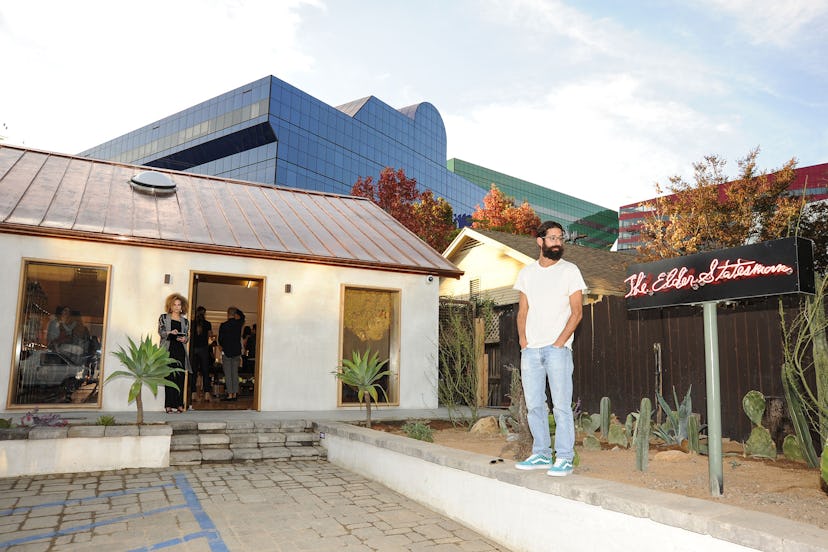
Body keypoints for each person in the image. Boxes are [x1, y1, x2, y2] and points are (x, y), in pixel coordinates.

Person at [513, 221, 586, 477]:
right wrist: (524, 342)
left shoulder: (570, 271)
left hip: (557, 350)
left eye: (560, 238)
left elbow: (577, 313)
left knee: (562, 406)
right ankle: (542, 453)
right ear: (540, 241)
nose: (557, 242)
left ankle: (564, 457)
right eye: (552, 237)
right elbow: (522, 311)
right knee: (534, 405)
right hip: (531, 351)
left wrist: (559, 342)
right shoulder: (527, 273)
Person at [158, 293, 191, 413]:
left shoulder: (185, 321)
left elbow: (187, 336)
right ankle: (168, 405)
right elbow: (161, 332)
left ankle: (179, 405)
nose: (177, 307)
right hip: (168, 351)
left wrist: (184, 339)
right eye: (174, 305)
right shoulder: (163, 317)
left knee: (180, 378)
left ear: (182, 307)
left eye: (179, 305)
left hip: (180, 351)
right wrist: (170, 332)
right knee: (169, 377)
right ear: (170, 306)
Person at [218, 306, 243, 401]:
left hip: (227, 352)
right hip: (236, 352)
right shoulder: (238, 324)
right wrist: (237, 311)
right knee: (235, 373)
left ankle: (230, 394)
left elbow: (220, 340)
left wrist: (223, 347)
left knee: (228, 374)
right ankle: (235, 394)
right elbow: (243, 316)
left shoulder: (223, 325)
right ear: (235, 314)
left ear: (227, 314)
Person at [190, 306, 213, 401]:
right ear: (204, 314)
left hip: (194, 349)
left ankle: (193, 394)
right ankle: (207, 394)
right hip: (203, 349)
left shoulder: (192, 323)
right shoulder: (207, 324)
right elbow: (210, 336)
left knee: (193, 372)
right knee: (205, 372)